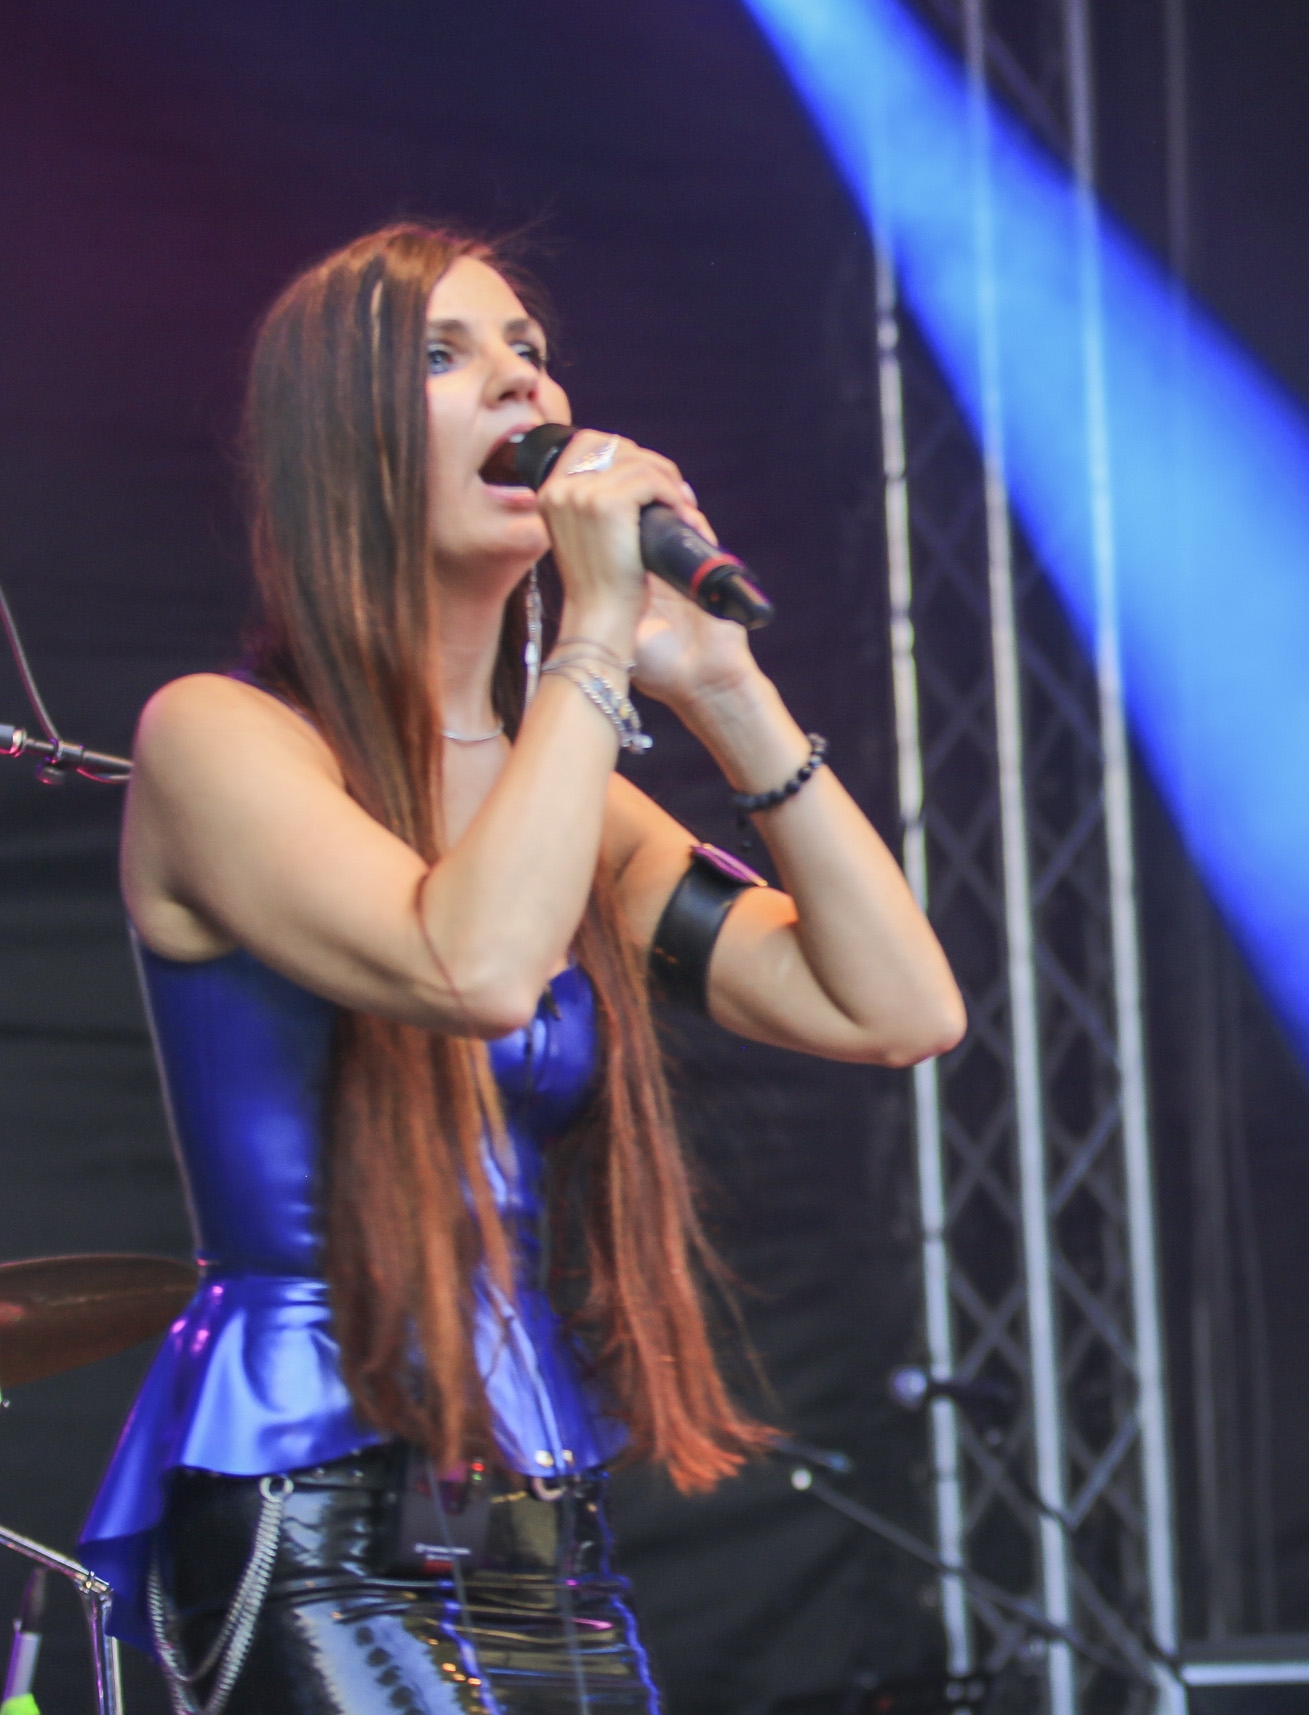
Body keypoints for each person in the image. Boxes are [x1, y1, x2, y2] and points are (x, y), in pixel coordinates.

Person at [80, 224, 965, 1713]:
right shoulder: (219, 739)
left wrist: (728, 689)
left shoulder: (574, 808)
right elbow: (474, 963)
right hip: (312, 1497)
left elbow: (895, 1006)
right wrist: (596, 640)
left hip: (539, 1512)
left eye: (528, 351)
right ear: (341, 444)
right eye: (444, 356)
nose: (519, 384)